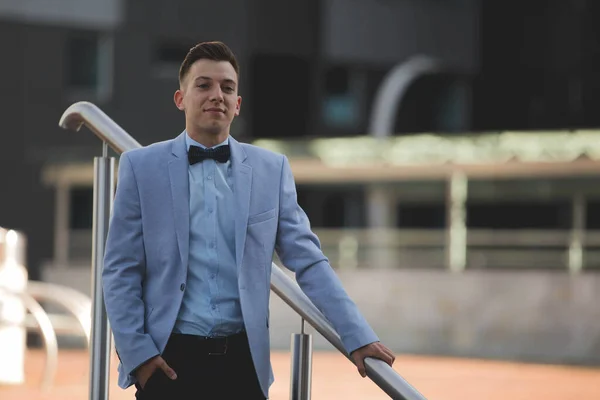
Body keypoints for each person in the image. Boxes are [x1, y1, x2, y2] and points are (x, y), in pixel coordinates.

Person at [102, 41, 395, 400]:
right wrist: (139, 356)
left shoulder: (272, 171)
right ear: (181, 99)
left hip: (244, 365)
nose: (217, 95)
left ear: (237, 104)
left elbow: (309, 260)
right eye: (203, 85)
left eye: (227, 87)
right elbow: (120, 269)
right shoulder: (140, 167)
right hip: (167, 361)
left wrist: (358, 335)